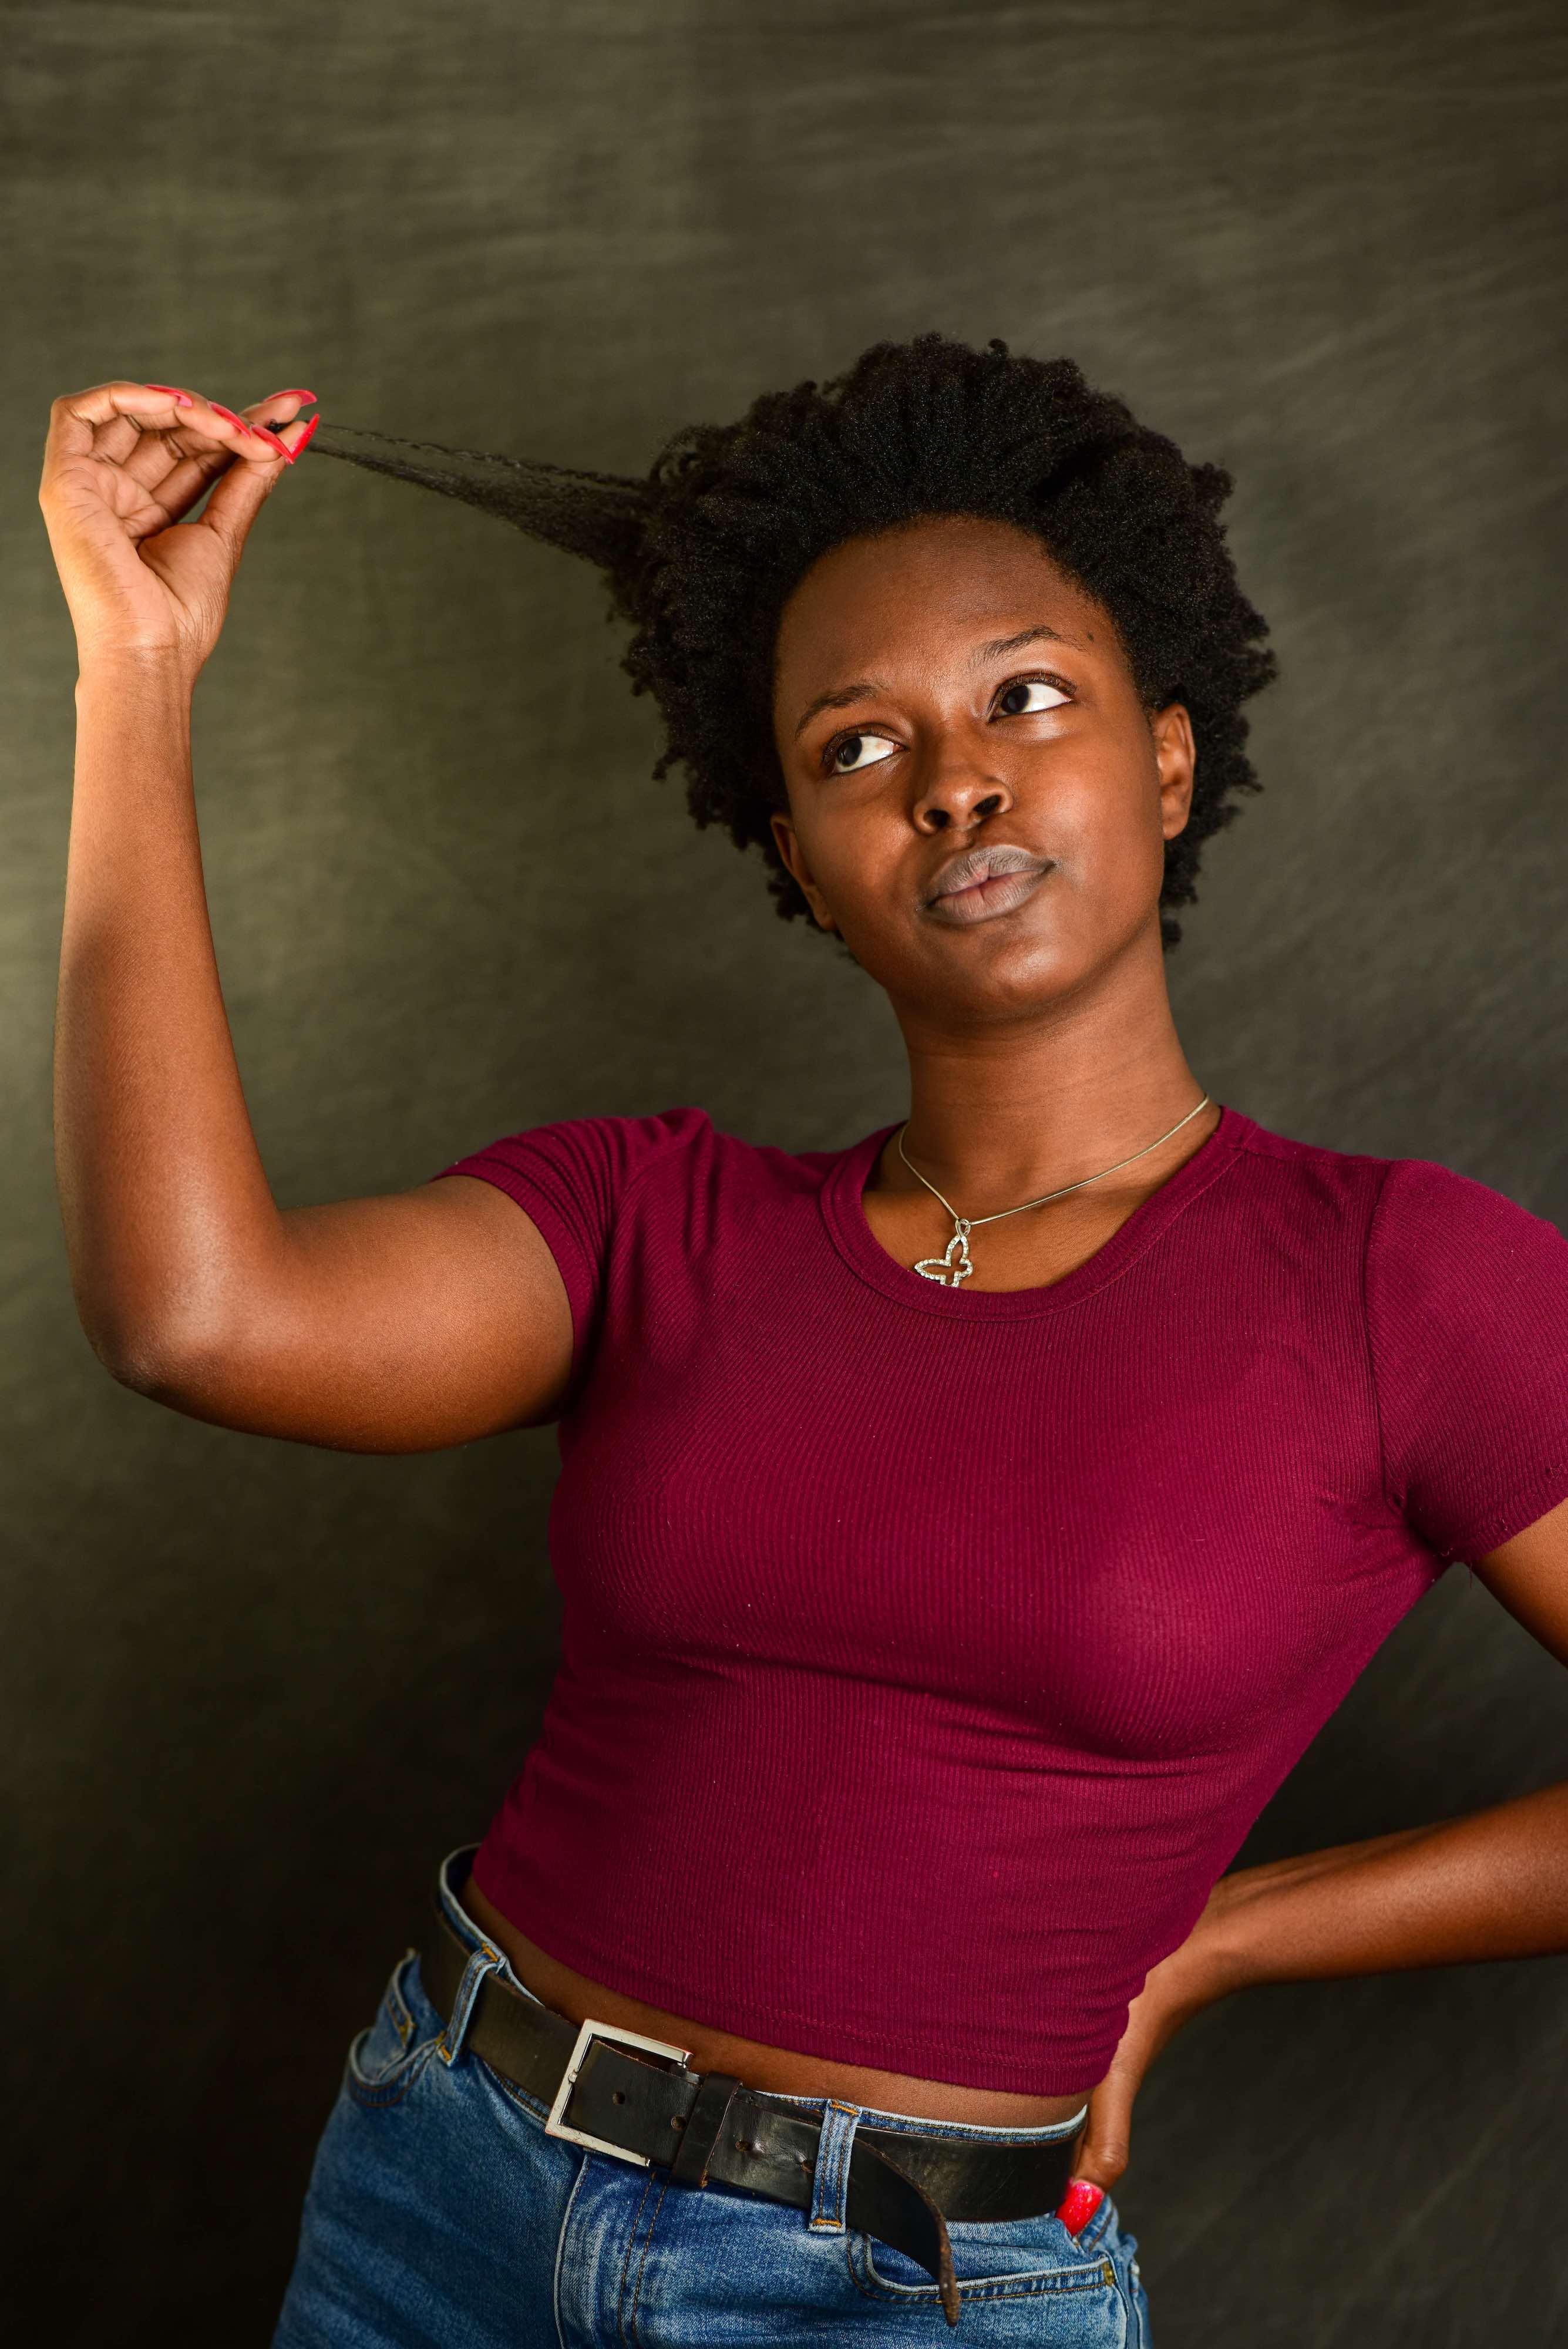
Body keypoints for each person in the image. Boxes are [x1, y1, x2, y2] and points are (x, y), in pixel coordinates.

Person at [38, 335, 1568, 2347]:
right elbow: (195, 1319)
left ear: (1169, 759)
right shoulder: (653, 1220)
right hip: (442, 2199)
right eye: (857, 747)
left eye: (1029, 695)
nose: (955, 779)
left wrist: (1222, 1939)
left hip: (908, 2293)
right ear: (801, 868)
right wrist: (137, 671)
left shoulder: (1403, 1280)